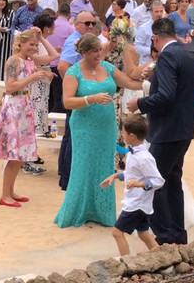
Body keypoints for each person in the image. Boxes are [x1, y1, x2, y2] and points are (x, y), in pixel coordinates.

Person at [55, 34, 143, 227]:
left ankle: (102, 212)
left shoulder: (108, 67)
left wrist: (151, 79)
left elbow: (130, 83)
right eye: (94, 50)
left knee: (104, 166)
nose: (98, 53)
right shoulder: (73, 72)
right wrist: (90, 99)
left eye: (99, 50)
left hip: (107, 127)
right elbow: (67, 102)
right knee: (83, 166)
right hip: (84, 127)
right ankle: (77, 210)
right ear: (84, 52)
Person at [127, 18, 194, 245]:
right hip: (184, 128)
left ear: (156, 38)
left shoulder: (167, 56)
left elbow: (166, 95)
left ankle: (165, 237)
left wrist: (140, 103)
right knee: (173, 182)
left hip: (167, 129)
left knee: (153, 183)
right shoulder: (185, 53)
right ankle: (178, 234)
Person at [0, 28, 55, 205]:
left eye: (36, 45)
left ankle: (11, 191)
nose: (34, 48)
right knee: (14, 153)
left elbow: (53, 55)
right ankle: (5, 195)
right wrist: (32, 77)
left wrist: (41, 38)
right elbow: (10, 87)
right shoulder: (14, 61)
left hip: (25, 105)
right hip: (15, 106)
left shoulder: (29, 60)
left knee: (21, 153)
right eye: (31, 44)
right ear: (21, 43)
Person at [100, 115, 164, 256]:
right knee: (143, 233)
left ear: (132, 136)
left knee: (117, 232)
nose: (122, 135)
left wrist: (140, 184)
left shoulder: (144, 158)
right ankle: (163, 258)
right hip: (136, 202)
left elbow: (158, 180)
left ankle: (127, 262)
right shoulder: (133, 153)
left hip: (137, 204)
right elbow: (132, 174)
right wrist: (116, 175)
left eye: (123, 132)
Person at [56, 11, 98, 190]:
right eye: (86, 23)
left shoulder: (82, 41)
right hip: (76, 97)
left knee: (70, 135)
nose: (90, 26)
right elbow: (62, 66)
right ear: (76, 24)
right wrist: (74, 88)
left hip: (78, 96)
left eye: (92, 23)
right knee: (74, 136)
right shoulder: (74, 42)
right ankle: (67, 177)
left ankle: (64, 174)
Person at [29, 14, 59, 137]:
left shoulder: (42, 41)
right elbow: (30, 62)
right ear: (47, 28)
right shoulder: (37, 42)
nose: (55, 28)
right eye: (53, 26)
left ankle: (40, 128)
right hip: (37, 77)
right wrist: (45, 72)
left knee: (43, 103)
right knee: (37, 104)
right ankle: (36, 130)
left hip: (43, 77)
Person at [47, 3, 73, 113]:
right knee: (58, 97)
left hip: (47, 64)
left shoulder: (50, 26)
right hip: (60, 66)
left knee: (49, 97)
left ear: (57, 13)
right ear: (69, 15)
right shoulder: (70, 29)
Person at [135, 1, 165, 66]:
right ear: (151, 12)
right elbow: (137, 47)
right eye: (156, 11)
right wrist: (152, 51)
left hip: (162, 63)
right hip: (146, 64)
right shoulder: (143, 28)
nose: (159, 14)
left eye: (161, 11)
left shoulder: (166, 27)